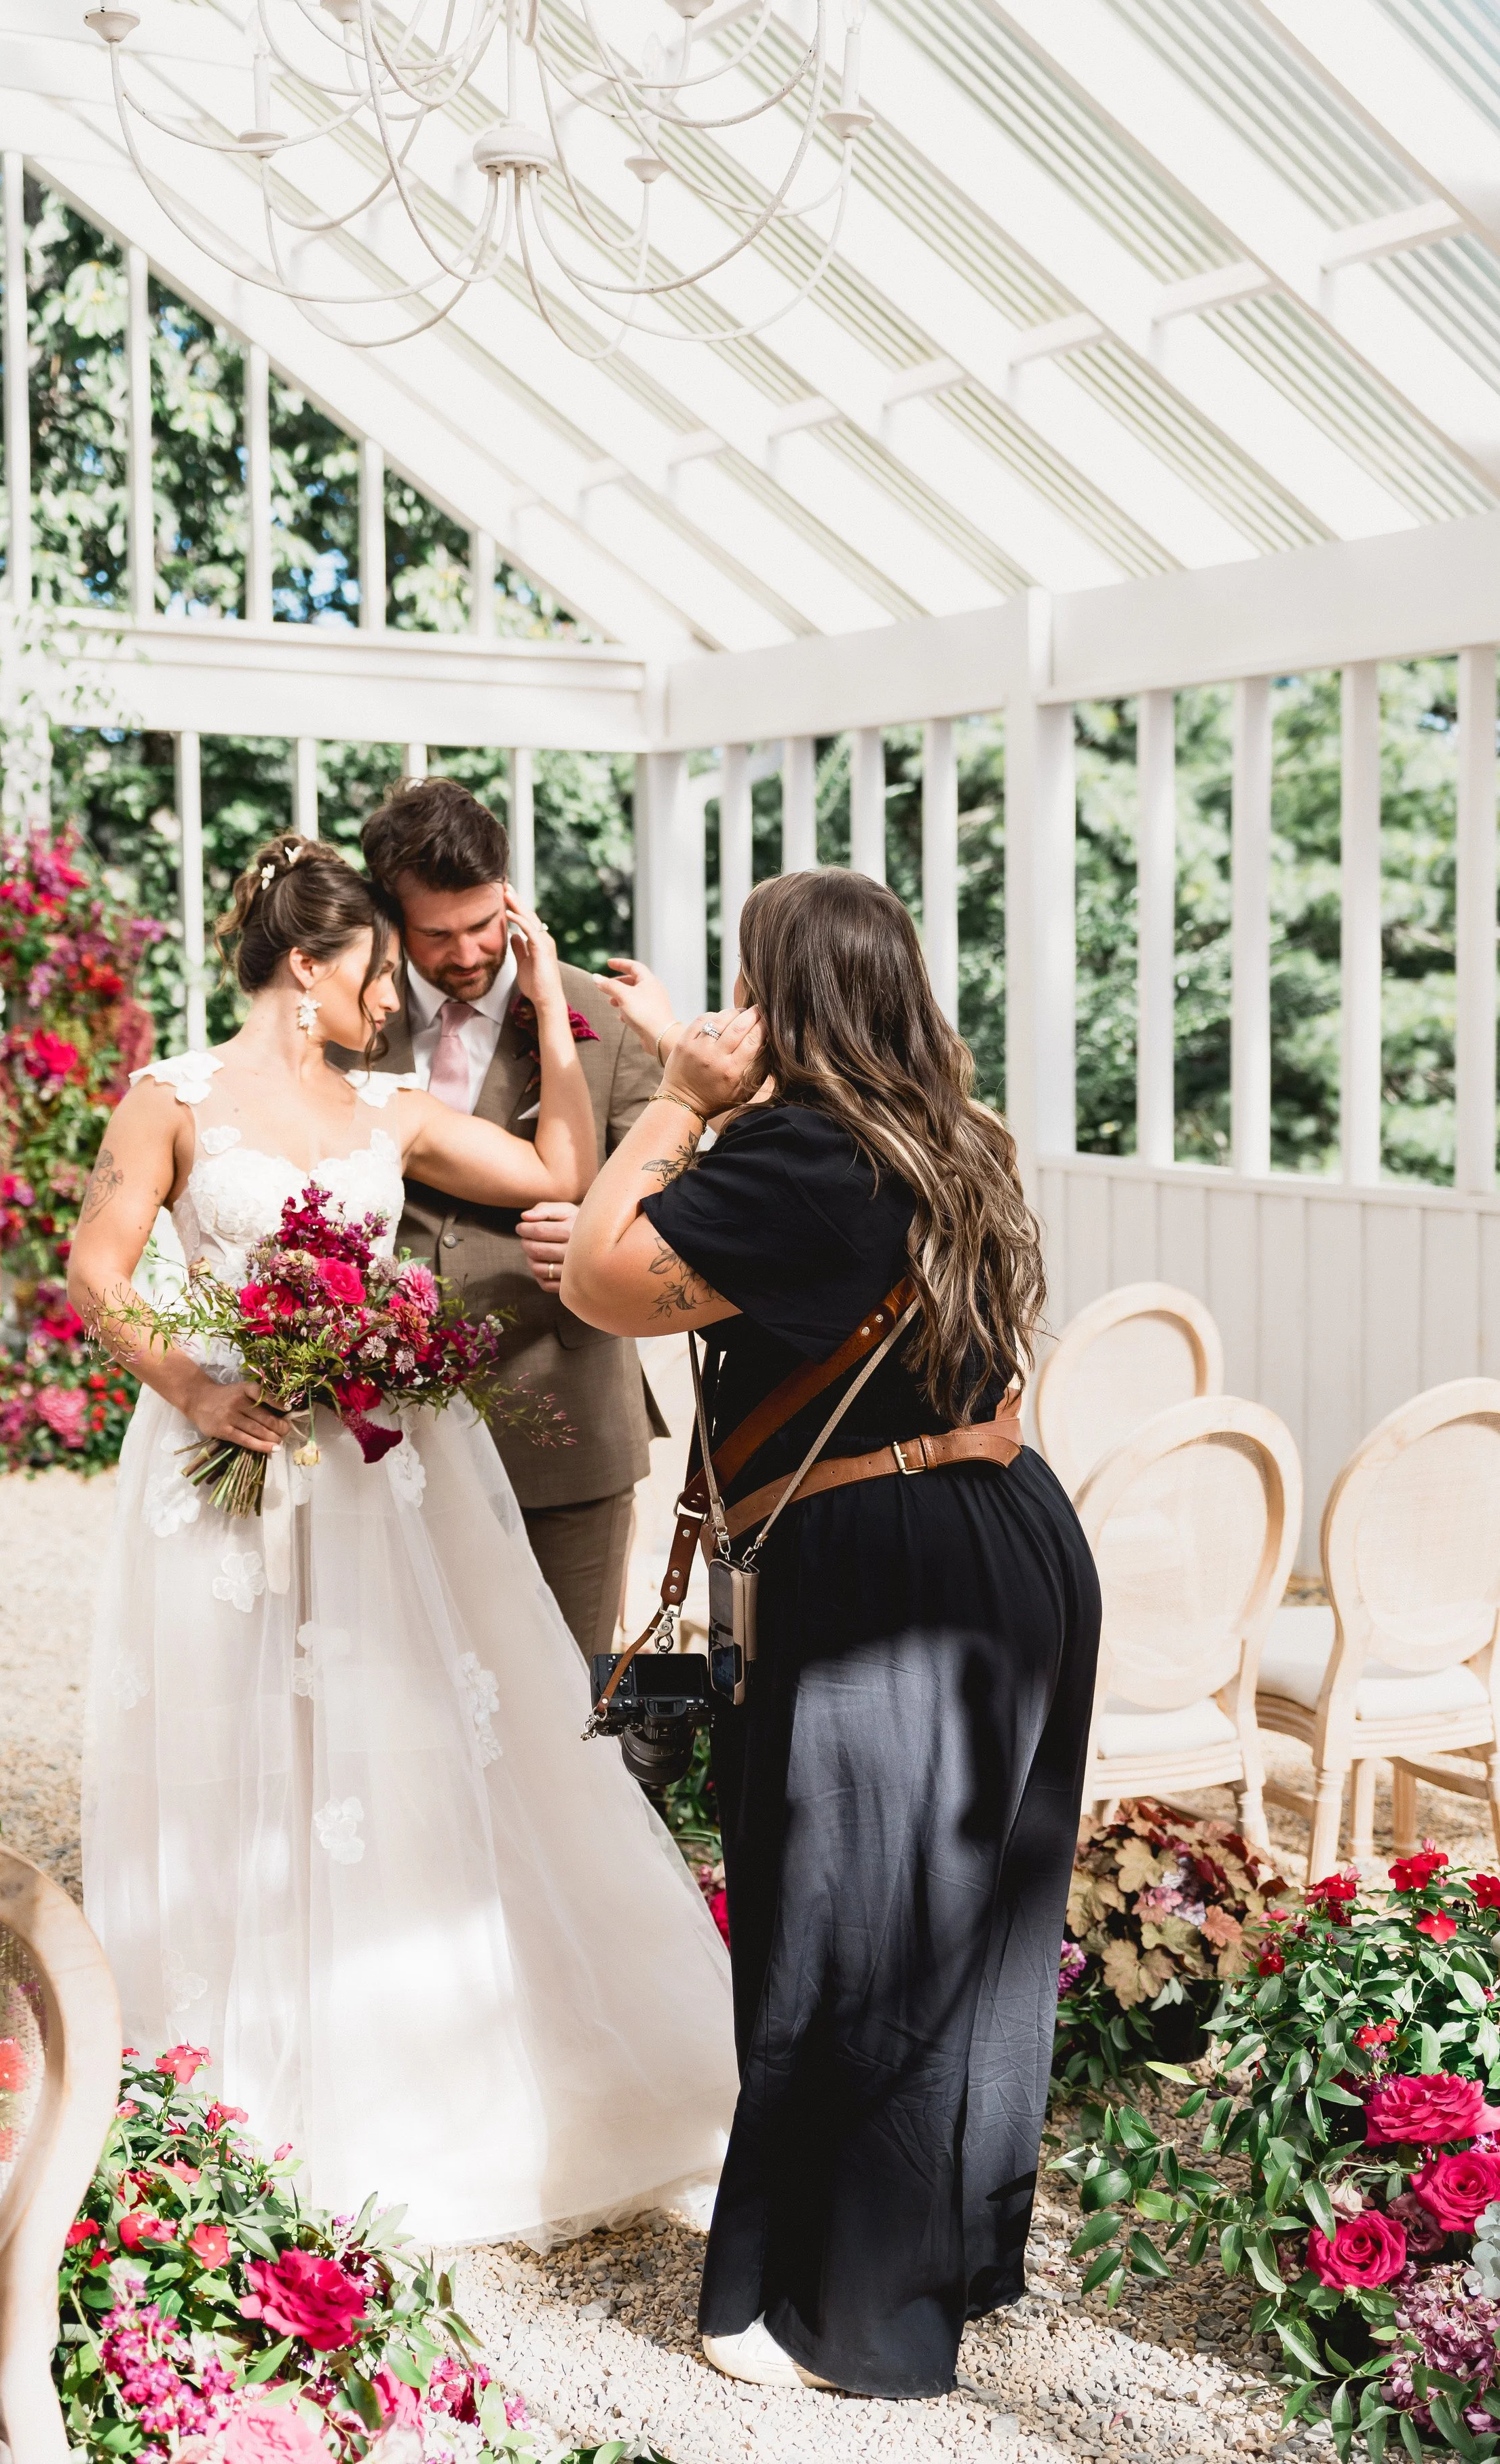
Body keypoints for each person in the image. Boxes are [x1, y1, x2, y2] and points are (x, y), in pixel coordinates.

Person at [70, 832, 736, 2247]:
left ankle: (415, 2038)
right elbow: (97, 1269)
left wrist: (552, 993)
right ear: (305, 969)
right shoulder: (168, 1100)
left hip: (384, 1476)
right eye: (378, 973)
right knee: (237, 1736)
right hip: (226, 1458)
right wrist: (194, 1378)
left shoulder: (391, 1107)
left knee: (405, 1737)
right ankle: (241, 2061)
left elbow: (560, 1160)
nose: (397, 1003)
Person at [564, 867, 1102, 2400]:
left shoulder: (800, 1158)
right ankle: (933, 2254)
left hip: (892, 1577)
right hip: (1005, 1537)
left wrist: (671, 1097)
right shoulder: (942, 1134)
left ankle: (832, 2315)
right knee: (967, 1929)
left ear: (787, 1003)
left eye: (747, 985)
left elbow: (607, 1279)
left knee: (842, 1932)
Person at [355, 778, 667, 1664]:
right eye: (438, 934)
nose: (469, 952)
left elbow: (675, 1188)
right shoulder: (348, 1022)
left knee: (563, 1698)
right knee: (412, 1701)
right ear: (391, 921)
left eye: (485, 923)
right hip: (392, 1427)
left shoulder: (600, 1013)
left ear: (510, 897)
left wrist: (603, 1228)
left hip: (567, 1416)